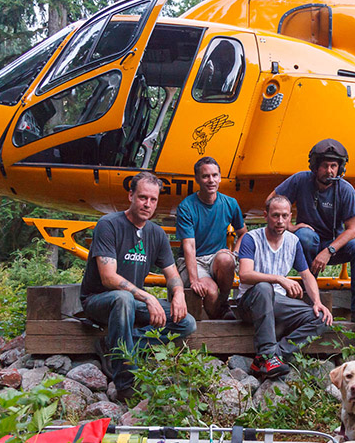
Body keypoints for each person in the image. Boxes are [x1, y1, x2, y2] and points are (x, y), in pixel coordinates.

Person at [80, 172, 196, 401]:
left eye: (153, 200)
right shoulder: (108, 225)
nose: (148, 204)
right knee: (122, 299)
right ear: (131, 195)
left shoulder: (156, 233)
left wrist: (179, 293)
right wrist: (148, 298)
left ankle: (114, 344)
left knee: (186, 323)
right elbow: (108, 278)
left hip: (131, 304)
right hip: (99, 301)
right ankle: (126, 385)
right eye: (143, 197)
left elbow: (173, 275)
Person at [268, 138, 355, 326]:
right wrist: (290, 227)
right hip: (306, 244)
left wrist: (329, 251)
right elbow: (271, 202)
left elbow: (352, 230)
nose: (329, 171)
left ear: (340, 168)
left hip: (333, 246)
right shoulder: (300, 180)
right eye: (325, 165)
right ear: (315, 167)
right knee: (306, 237)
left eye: (334, 166)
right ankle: (310, 300)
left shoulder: (346, 190)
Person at [237, 195, 333, 379]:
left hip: (277, 302)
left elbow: (306, 275)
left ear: (290, 217)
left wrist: (317, 302)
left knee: (322, 318)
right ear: (266, 215)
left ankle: (271, 357)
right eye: (275, 215)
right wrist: (280, 279)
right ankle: (267, 354)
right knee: (265, 287)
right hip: (249, 302)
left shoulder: (293, 241)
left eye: (284, 216)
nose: (280, 221)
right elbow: (245, 274)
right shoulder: (251, 238)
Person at [176, 157, 247, 319]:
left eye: (215, 175)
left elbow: (243, 232)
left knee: (226, 259)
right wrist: (194, 280)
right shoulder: (186, 206)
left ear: (220, 177)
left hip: (215, 259)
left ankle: (223, 304)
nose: (211, 180)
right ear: (197, 179)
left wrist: (235, 253)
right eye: (206, 176)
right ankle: (218, 319)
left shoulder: (230, 203)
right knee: (210, 291)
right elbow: (189, 247)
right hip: (194, 260)